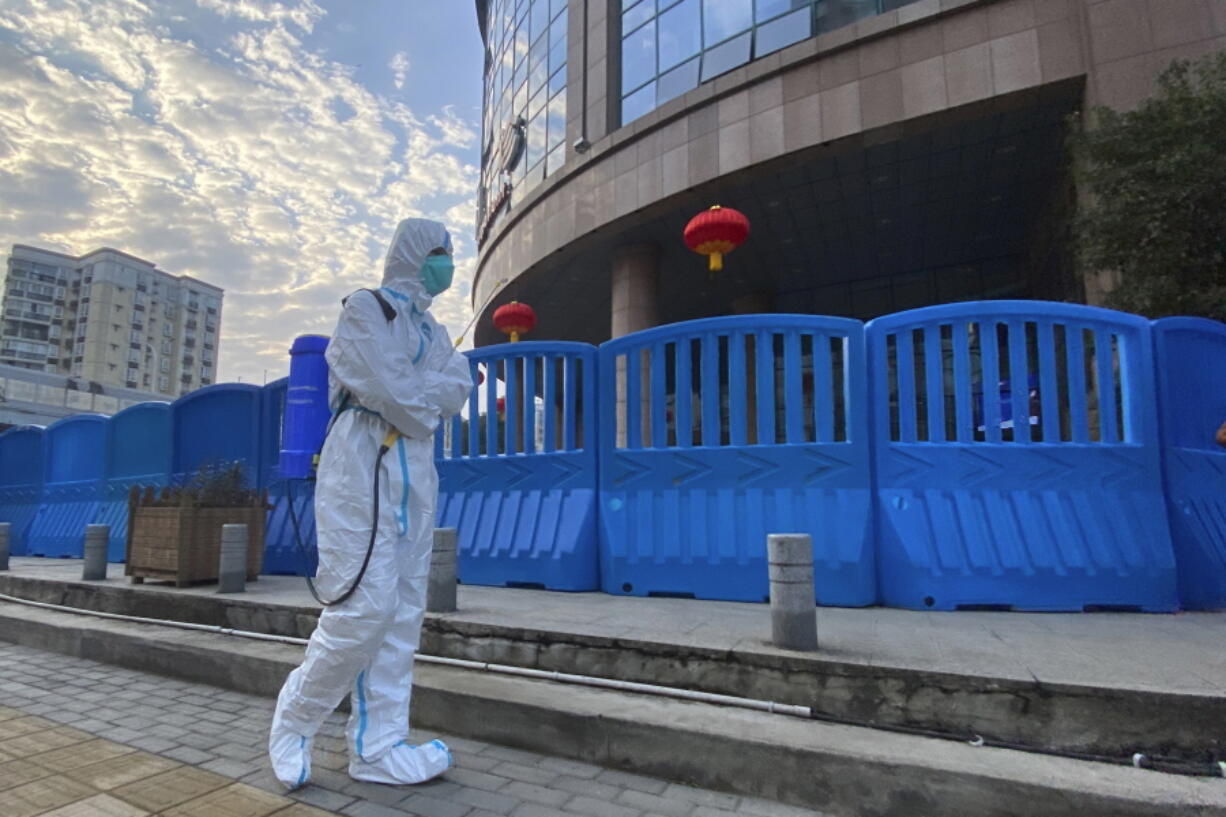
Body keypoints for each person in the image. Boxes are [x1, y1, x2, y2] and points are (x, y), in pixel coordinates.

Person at [269, 218, 473, 790]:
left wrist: (419, 394)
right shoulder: (365, 310)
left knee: (404, 614)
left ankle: (377, 746)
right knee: (362, 608)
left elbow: (456, 386)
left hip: (415, 475)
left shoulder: (432, 330)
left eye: (450, 253)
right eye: (438, 252)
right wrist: (422, 395)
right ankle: (295, 720)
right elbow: (394, 394)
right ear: (411, 254)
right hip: (358, 471)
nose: (446, 263)